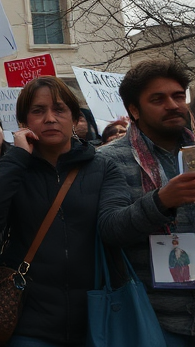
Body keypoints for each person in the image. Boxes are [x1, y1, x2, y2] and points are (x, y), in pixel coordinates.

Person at [0, 75, 142, 347]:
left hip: (98, 320)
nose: (49, 118)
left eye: (59, 109)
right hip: (28, 323)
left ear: (74, 118)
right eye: (38, 111)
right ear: (24, 122)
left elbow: (115, 227)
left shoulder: (103, 167)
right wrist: (17, 159)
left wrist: (161, 203)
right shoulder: (13, 166)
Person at [98, 59, 195, 345]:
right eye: (158, 99)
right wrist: (161, 201)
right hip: (154, 319)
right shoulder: (109, 160)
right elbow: (109, 229)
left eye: (178, 96)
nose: (173, 105)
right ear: (134, 110)